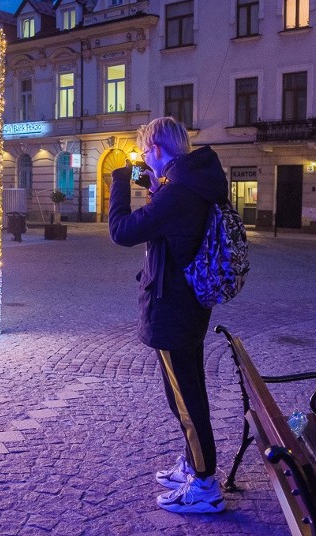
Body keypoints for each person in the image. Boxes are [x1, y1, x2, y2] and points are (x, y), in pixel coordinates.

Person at [108, 117, 228, 514]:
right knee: (184, 393)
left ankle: (205, 483)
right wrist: (143, 174)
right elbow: (161, 191)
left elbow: (122, 231)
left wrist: (120, 179)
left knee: (186, 398)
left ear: (157, 149)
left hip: (174, 310)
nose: (143, 159)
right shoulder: (190, 183)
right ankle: (194, 465)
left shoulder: (178, 195)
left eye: (145, 153)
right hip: (185, 306)